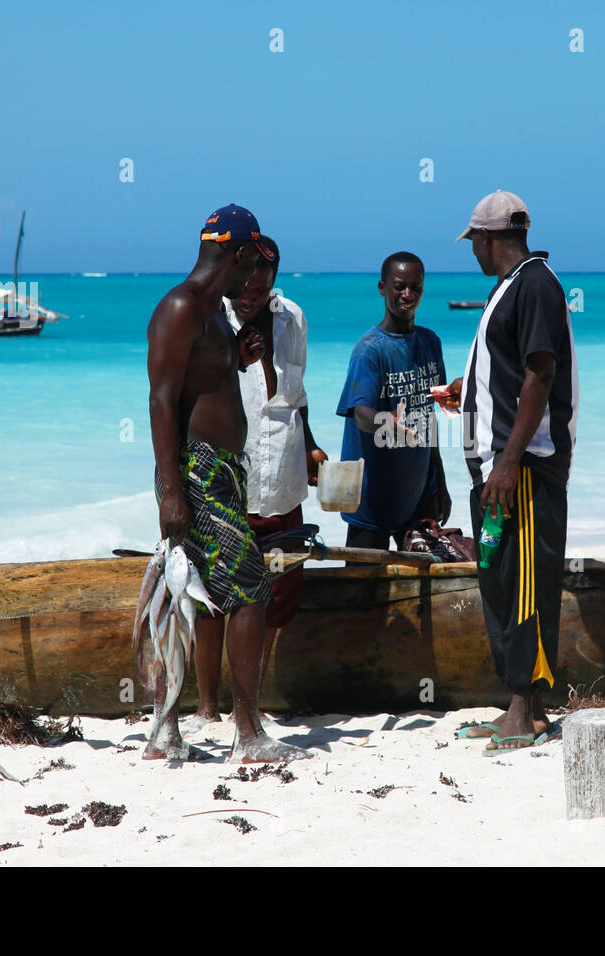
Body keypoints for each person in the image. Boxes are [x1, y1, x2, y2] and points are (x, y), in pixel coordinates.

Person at [144, 203, 309, 764]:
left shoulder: (213, 312)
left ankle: (165, 732)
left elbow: (200, 384)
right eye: (252, 261)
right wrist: (171, 489)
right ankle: (249, 733)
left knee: (185, 588)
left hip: (219, 469)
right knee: (251, 587)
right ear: (237, 254)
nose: (255, 278)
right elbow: (162, 400)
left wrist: (235, 361)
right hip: (197, 471)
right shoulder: (182, 307)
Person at [446, 190, 579, 751]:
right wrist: (468, 391)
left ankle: (525, 711)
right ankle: (522, 707)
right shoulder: (509, 288)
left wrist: (508, 461)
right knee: (501, 579)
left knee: (524, 584)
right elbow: (509, 370)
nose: (473, 250)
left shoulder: (535, 285)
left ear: (488, 237)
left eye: (474, 241)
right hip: (500, 469)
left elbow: (540, 376)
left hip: (520, 474)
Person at [186, 236, 326, 721]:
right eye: (245, 287)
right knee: (211, 595)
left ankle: (251, 701)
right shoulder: (208, 321)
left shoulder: (293, 318)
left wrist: (309, 446)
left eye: (261, 289)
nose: (251, 296)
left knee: (275, 594)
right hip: (228, 480)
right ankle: (207, 705)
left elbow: (297, 397)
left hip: (283, 479)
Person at [335, 252, 450, 554]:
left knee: (419, 592)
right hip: (371, 502)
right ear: (382, 288)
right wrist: (386, 423)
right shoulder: (370, 350)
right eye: (399, 287)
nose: (407, 295)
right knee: (363, 595)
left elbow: (429, 419)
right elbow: (360, 412)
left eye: (416, 287)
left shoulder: (430, 343)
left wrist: (440, 485)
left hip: (418, 498)